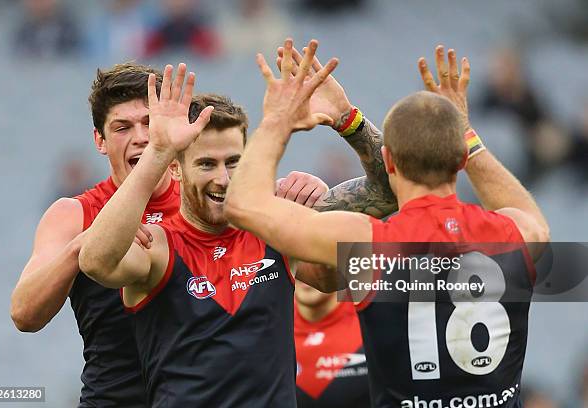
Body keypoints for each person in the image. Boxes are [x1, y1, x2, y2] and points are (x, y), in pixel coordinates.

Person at [224, 39, 550, 407]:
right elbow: (533, 218)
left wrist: (280, 118)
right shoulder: (515, 233)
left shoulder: (365, 245)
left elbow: (242, 203)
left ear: (389, 162)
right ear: (460, 159)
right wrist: (465, 134)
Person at [77, 53, 397, 406]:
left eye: (233, 162)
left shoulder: (278, 232)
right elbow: (96, 263)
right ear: (176, 170)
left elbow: (390, 190)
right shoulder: (158, 247)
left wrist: (346, 119)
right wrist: (158, 150)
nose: (223, 178)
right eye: (206, 164)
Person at [10, 62, 328, 407]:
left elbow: (338, 274)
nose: (142, 137)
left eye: (150, 122)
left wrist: (319, 205)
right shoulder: (75, 214)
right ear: (99, 141)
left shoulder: (211, 203)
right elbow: (25, 314)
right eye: (122, 127)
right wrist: (82, 245)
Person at [294, 279, 370, 407]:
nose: (304, 271)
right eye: (296, 259)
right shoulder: (269, 326)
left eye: (315, 261)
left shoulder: (370, 315)